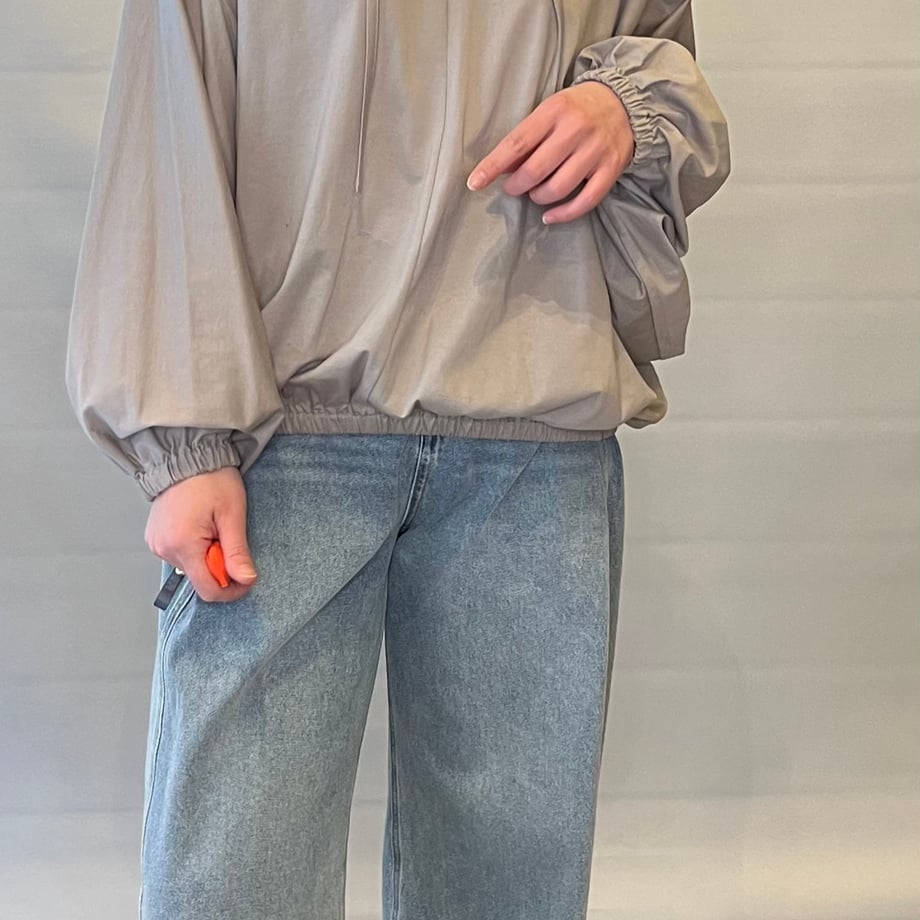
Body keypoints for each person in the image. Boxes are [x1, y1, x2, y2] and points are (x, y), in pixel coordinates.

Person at [64, 1, 730, 917]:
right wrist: (182, 441)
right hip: (283, 444)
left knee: (508, 886)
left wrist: (624, 105)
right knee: (232, 877)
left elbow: (661, 52)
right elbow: (165, 122)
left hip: (536, 427)